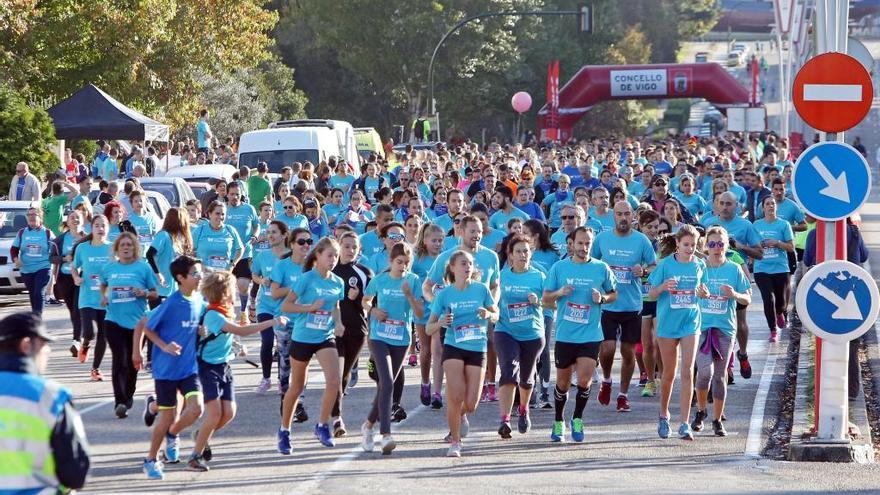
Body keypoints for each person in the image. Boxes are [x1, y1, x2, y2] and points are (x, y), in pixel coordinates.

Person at [196, 271, 286, 466]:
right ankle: (196, 454)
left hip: (223, 365)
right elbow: (240, 330)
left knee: (229, 412)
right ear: (223, 292)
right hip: (208, 367)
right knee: (214, 413)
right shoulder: (213, 313)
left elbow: (224, 335)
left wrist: (236, 347)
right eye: (233, 289)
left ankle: (201, 435)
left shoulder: (224, 310)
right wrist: (272, 322)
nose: (237, 292)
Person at [0, 312, 90, 493]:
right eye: (43, 344)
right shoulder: (50, 395)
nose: (48, 351)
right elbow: (76, 473)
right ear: (26, 344)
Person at [135, 255, 206, 478]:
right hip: (166, 370)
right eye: (195, 274)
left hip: (189, 368)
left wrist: (202, 330)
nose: (200, 277)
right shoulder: (172, 303)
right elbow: (146, 327)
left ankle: (173, 434)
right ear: (180, 278)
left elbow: (204, 323)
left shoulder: (200, 301)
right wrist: (163, 346)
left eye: (200, 272)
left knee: (196, 408)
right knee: (167, 417)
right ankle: (151, 459)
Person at [543, 227, 617, 442]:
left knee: (584, 381)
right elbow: (546, 297)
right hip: (566, 334)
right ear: (571, 244)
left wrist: (602, 298)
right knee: (563, 383)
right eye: (580, 243)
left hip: (590, 334)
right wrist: (560, 293)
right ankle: (558, 421)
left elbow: (614, 294)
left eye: (588, 244)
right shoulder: (559, 268)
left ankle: (577, 418)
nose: (584, 248)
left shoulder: (601, 268)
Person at [426, 250, 499, 457]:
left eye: (469, 264)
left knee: (471, 404)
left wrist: (489, 314)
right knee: (455, 396)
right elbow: (429, 327)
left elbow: (496, 315)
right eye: (463, 264)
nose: (467, 267)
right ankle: (455, 442)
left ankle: (461, 416)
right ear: (452, 268)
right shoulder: (444, 294)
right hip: (454, 346)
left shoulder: (481, 289)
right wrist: (440, 322)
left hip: (477, 348)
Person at [277, 238, 345, 452]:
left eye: (336, 256)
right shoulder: (306, 279)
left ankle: (322, 425)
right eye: (329, 256)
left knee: (334, 382)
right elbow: (287, 305)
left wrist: (339, 322)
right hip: (303, 336)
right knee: (297, 386)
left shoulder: (337, 282)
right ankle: (284, 431)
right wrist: (309, 307)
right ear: (318, 256)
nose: (333, 260)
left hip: (325, 336)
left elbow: (335, 305)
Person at [591, 201, 656, 412]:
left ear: (633, 216)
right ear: (613, 216)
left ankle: (623, 395)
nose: (623, 218)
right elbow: (591, 263)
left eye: (627, 214)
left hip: (632, 305)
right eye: (619, 214)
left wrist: (644, 271)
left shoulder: (641, 240)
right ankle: (608, 380)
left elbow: (654, 265)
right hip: (608, 304)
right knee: (608, 349)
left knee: (628, 353)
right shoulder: (602, 239)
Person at [360, 242, 424, 454]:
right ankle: (385, 434)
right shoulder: (380, 279)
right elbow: (365, 300)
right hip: (379, 336)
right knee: (386, 381)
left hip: (401, 338)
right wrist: (374, 310)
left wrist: (408, 295)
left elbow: (420, 313)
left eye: (406, 263)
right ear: (390, 261)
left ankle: (368, 425)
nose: (403, 266)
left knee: (387, 386)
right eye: (399, 262)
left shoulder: (413, 281)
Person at [647, 225, 709, 441]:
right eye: (686, 245)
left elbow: (704, 291)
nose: (690, 249)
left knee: (688, 370)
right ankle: (664, 415)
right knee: (669, 373)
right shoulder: (665, 265)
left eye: (693, 245)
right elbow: (651, 294)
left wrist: (703, 293)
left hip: (690, 322)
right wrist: (663, 287)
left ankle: (684, 422)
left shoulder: (700, 265)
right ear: (677, 244)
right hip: (667, 324)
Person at [693, 226, 751, 437]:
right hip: (702, 327)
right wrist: (698, 293)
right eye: (712, 244)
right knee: (704, 373)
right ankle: (701, 411)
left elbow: (748, 297)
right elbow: (688, 295)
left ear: (727, 246)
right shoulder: (699, 268)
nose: (716, 248)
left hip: (725, 328)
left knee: (719, 376)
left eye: (720, 244)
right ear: (706, 246)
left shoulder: (734, 268)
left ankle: (717, 420)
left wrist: (734, 294)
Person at [99, 232, 159, 418]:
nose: (126, 247)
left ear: (135, 248)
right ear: (117, 248)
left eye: (129, 245)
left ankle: (129, 395)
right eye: (123, 245)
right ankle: (120, 401)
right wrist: (104, 297)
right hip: (113, 320)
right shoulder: (109, 267)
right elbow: (103, 285)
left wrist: (144, 293)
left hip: (137, 324)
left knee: (133, 361)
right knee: (119, 359)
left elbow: (155, 293)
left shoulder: (143, 268)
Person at [495, 234, 545, 437]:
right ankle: (505, 420)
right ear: (510, 255)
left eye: (526, 251)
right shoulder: (501, 276)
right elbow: (491, 300)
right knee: (508, 372)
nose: (523, 255)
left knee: (526, 378)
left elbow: (551, 302)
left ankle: (524, 409)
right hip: (505, 330)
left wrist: (538, 301)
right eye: (518, 251)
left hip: (532, 332)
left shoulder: (539, 276)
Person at [330, 231, 372, 435]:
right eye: (346, 246)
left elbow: (372, 302)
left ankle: (336, 403)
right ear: (338, 247)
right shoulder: (330, 269)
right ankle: (337, 419)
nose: (350, 251)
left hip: (356, 329)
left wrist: (359, 297)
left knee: (344, 375)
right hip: (332, 329)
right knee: (336, 374)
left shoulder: (364, 273)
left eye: (354, 247)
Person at [270, 228, 312, 422]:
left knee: (303, 364)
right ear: (292, 244)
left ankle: (300, 404)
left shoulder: (311, 268)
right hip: (285, 321)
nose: (306, 246)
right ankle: (285, 397)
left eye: (308, 242)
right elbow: (275, 293)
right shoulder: (282, 266)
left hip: (304, 322)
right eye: (301, 242)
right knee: (286, 363)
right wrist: (296, 288)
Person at [72, 215, 113, 382]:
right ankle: (85, 344)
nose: (100, 228)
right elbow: (74, 268)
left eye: (103, 225)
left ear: (107, 229)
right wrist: (76, 278)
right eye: (97, 225)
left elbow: (116, 270)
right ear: (92, 228)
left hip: (105, 299)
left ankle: (95, 369)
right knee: (90, 332)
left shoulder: (112, 249)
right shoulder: (83, 248)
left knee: (103, 335)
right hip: (87, 297)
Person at [251, 220, 290, 394]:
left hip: (285, 307)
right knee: (267, 341)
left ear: (284, 235)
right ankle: (266, 378)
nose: (270, 236)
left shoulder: (291, 255)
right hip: (265, 305)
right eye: (268, 232)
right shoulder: (262, 255)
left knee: (283, 346)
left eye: (274, 232)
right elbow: (254, 275)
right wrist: (261, 280)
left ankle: (283, 380)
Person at [752, 195, 794, 342]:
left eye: (773, 204)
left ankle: (780, 312)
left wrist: (776, 243)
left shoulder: (784, 225)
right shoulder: (756, 225)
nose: (771, 206)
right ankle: (772, 330)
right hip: (761, 269)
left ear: (776, 207)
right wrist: (759, 245)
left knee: (781, 303)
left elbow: (790, 247)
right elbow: (752, 245)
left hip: (780, 268)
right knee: (768, 298)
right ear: (763, 208)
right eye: (768, 204)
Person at [224, 182, 260, 324]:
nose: (235, 197)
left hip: (245, 254)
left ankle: (244, 311)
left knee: (243, 286)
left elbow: (256, 225)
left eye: (237, 194)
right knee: (227, 288)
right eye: (232, 194)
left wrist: (255, 235)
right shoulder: (223, 210)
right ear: (227, 195)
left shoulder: (249, 209)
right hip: (227, 255)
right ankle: (229, 313)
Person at [52, 210, 86, 357]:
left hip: (81, 278)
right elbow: (51, 258)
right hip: (64, 278)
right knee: (72, 311)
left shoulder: (86, 238)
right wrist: (65, 258)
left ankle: (76, 341)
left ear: (82, 220)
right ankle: (80, 337)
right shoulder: (60, 239)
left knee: (77, 310)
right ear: (68, 221)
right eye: (72, 218)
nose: (75, 220)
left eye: (77, 218)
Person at [11, 207, 56, 315]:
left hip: (43, 268)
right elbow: (14, 249)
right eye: (29, 215)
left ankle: (37, 320)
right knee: (32, 294)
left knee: (38, 292)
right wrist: (16, 259)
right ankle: (35, 317)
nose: (31, 216)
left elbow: (56, 248)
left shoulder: (47, 233)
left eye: (34, 214)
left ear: (40, 217)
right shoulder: (22, 232)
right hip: (26, 269)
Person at [193, 201, 244, 273]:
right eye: (217, 214)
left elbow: (240, 249)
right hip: (204, 275)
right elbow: (189, 250)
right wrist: (198, 265)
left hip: (223, 274)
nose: (220, 217)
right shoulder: (199, 230)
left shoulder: (230, 230)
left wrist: (232, 265)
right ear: (210, 214)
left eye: (223, 214)